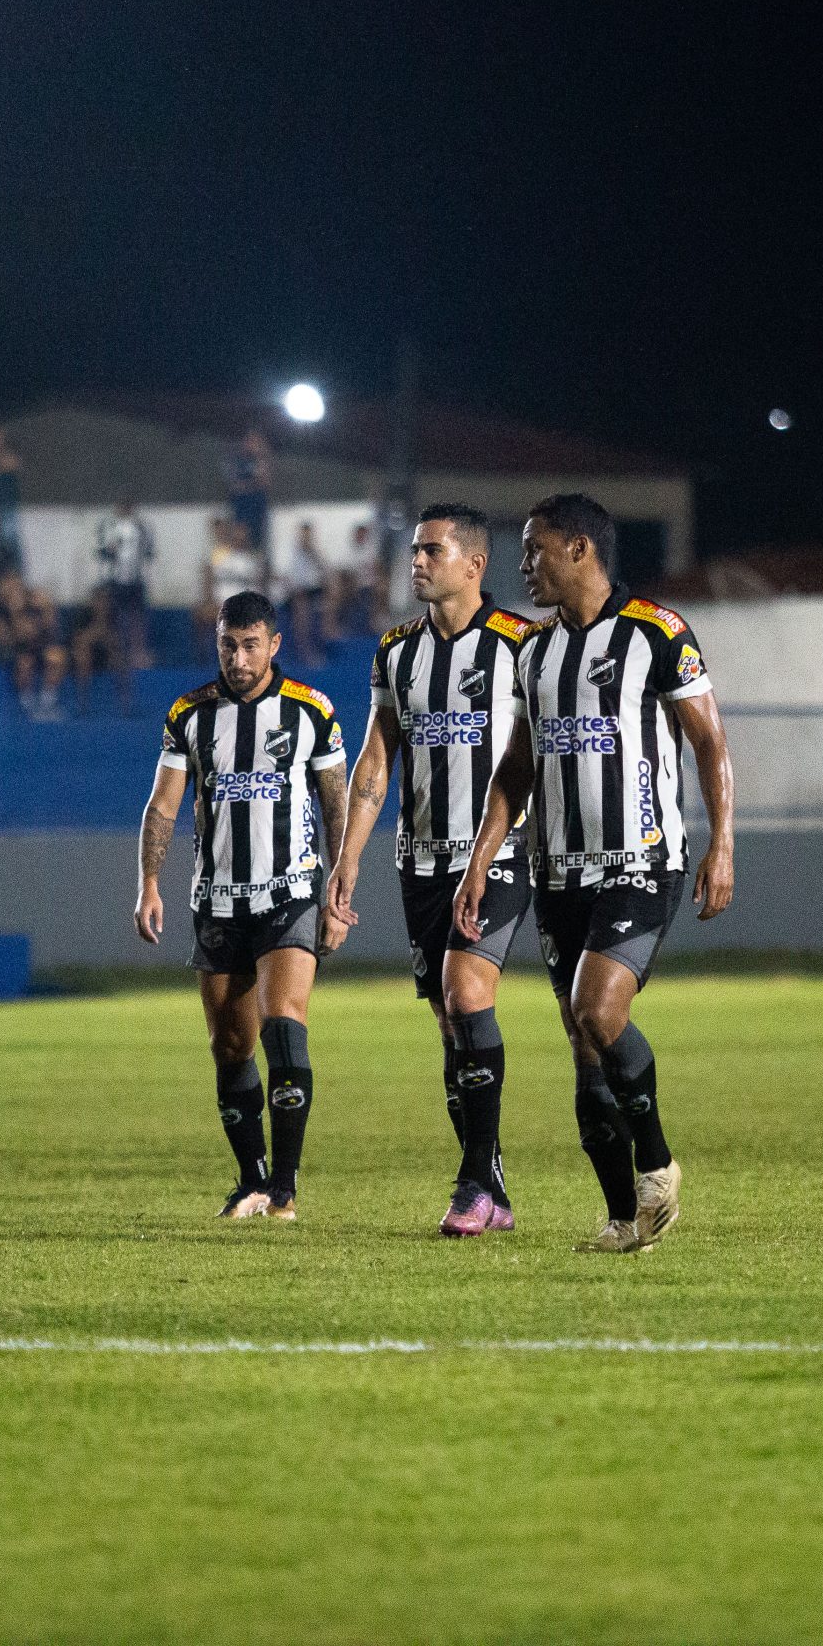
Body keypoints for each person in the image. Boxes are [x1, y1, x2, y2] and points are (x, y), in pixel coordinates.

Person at [455, 493, 736, 1254]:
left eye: (535, 548)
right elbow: (516, 768)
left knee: (598, 1009)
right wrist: (480, 861)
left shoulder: (657, 631)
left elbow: (709, 741)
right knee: (584, 1045)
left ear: (579, 549)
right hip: (557, 875)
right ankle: (623, 1219)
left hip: (641, 861)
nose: (524, 565)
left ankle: (658, 1164)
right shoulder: (534, 652)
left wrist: (722, 844)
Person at [326, 507, 535, 1235]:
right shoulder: (395, 651)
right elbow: (375, 761)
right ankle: (492, 1184)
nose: (416, 561)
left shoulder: (521, 644)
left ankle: (472, 1186)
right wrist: (347, 859)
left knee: (467, 992)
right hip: (419, 862)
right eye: (414, 550)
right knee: (450, 1022)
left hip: (497, 854)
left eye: (431, 551)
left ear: (474, 564)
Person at [134, 592, 350, 1222]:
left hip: (290, 892)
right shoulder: (189, 713)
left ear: (274, 644)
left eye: (251, 645)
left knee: (283, 1023)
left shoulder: (311, 709)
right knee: (230, 1045)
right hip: (217, 899)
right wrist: (150, 882)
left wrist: (339, 890)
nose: (238, 658)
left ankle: (284, 1188)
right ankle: (252, 1180)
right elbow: (164, 805)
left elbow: (336, 803)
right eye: (228, 645)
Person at [0, 573, 68, 720]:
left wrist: (47, 608)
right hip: (16, 650)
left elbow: (50, 629)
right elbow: (6, 640)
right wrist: (15, 614)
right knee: (25, 663)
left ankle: (48, 701)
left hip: (39, 647)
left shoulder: (34, 604)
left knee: (56, 658)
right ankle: (27, 704)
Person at [95, 501, 154, 673]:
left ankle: (137, 652)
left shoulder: (141, 527)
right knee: (113, 617)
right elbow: (101, 551)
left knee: (137, 618)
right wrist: (110, 551)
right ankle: (116, 653)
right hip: (114, 578)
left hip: (135, 578)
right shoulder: (109, 525)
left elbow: (149, 551)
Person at [194, 517, 264, 642]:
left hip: (242, 603)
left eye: (242, 536)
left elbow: (258, 586)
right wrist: (209, 599)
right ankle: (204, 653)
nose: (239, 539)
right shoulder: (220, 555)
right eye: (236, 536)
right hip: (219, 601)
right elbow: (209, 578)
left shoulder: (252, 559)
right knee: (200, 613)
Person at [278, 520, 327, 664]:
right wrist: (295, 588)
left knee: (330, 596)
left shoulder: (315, 552)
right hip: (293, 593)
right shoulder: (288, 553)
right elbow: (283, 577)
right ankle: (306, 651)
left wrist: (312, 553)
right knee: (301, 604)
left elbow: (324, 572)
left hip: (312, 589)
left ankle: (330, 635)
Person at [225, 425, 272, 550]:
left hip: (258, 506)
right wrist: (252, 484)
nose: (253, 445)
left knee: (258, 538)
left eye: (256, 442)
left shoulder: (261, 460)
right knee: (241, 535)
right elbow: (234, 486)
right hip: (242, 506)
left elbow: (265, 483)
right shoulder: (237, 461)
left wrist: (261, 457)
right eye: (251, 441)